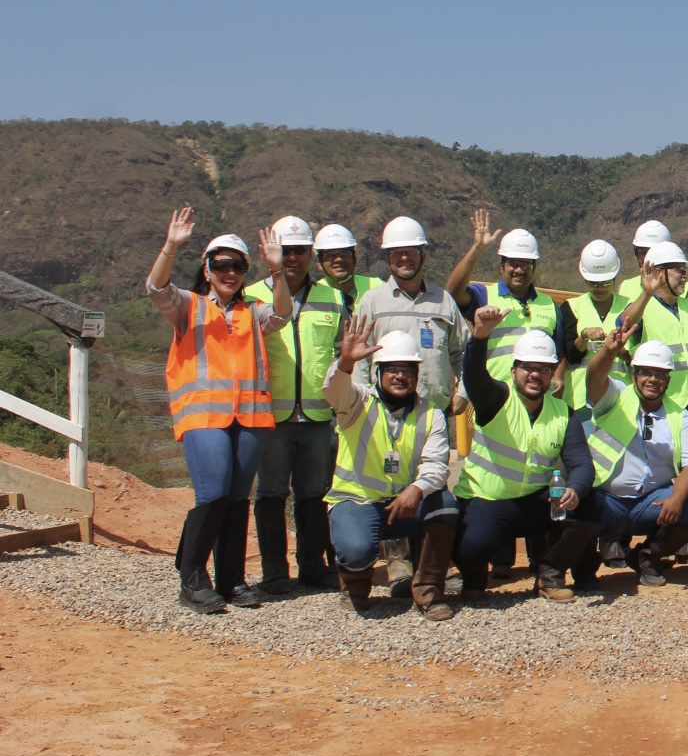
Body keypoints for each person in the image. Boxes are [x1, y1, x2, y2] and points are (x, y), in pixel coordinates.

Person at [146, 207, 290, 614]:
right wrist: (171, 246)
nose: (230, 272)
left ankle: (231, 580)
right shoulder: (187, 306)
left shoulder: (253, 311)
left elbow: (282, 314)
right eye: (221, 265)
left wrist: (276, 272)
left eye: (239, 266)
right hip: (204, 417)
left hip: (250, 419)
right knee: (212, 493)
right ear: (206, 269)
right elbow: (156, 289)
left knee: (236, 499)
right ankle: (191, 578)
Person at [348, 215, 470, 597]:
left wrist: (462, 392)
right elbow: (359, 361)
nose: (405, 259)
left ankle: (428, 569)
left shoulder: (443, 301)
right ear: (388, 258)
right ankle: (398, 566)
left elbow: (463, 352)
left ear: (422, 255)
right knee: (389, 483)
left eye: (411, 252)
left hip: (433, 412)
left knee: (430, 486)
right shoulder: (372, 301)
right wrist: (365, 406)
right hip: (385, 416)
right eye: (397, 253)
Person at [452, 308, 595, 601]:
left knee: (592, 506)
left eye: (543, 369)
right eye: (528, 367)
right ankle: (473, 576)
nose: (535, 374)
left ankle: (550, 575)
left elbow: (581, 464)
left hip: (533, 501)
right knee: (473, 546)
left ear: (551, 373)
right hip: (486, 500)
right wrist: (480, 335)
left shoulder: (563, 413)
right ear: (513, 370)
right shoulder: (496, 398)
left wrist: (576, 489)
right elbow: (475, 375)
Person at [322, 317, 457, 618]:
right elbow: (333, 391)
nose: (400, 376)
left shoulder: (430, 413)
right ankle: (354, 587)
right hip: (357, 501)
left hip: (404, 504)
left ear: (416, 374)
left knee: (445, 505)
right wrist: (344, 362)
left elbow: (436, 463)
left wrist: (417, 490)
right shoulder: (357, 400)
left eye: (407, 370)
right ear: (378, 372)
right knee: (356, 552)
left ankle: (428, 592)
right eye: (392, 369)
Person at [242, 216, 343, 594]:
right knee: (270, 495)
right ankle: (274, 572)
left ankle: (313, 568)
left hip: (318, 417)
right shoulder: (252, 296)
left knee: (313, 495)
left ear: (310, 254)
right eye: (285, 251)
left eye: (300, 251)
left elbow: (340, 351)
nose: (292, 258)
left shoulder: (331, 298)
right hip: (271, 418)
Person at [580, 335, 688, 588]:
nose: (653, 379)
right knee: (577, 506)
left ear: (668, 380)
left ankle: (647, 556)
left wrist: (677, 498)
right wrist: (607, 350)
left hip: (650, 503)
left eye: (660, 374)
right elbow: (594, 378)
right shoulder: (614, 398)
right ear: (633, 374)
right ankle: (584, 568)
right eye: (646, 372)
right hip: (608, 500)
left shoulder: (681, 416)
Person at [448, 214, 576, 387]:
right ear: (502, 267)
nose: (519, 270)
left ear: (534, 268)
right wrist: (478, 248)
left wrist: (558, 377)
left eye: (525, 265)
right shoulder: (484, 295)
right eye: (513, 263)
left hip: (537, 397)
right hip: (495, 396)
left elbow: (559, 353)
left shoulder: (550, 306)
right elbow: (453, 292)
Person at [619, 241, 688, 416]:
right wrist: (647, 293)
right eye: (679, 270)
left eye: (685, 270)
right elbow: (625, 322)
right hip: (660, 401)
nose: (684, 276)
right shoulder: (643, 306)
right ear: (659, 273)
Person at [563, 239, 627, 409]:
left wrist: (621, 352)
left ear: (615, 277)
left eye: (606, 282)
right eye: (593, 283)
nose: (600, 288)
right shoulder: (572, 307)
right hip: (579, 400)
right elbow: (569, 355)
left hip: (621, 400)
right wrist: (583, 337)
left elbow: (639, 358)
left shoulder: (630, 307)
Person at [313, 223, 381, 312]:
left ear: (355, 258)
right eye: (330, 254)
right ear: (319, 263)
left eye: (344, 252)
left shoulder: (378, 288)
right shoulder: (310, 296)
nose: (338, 259)